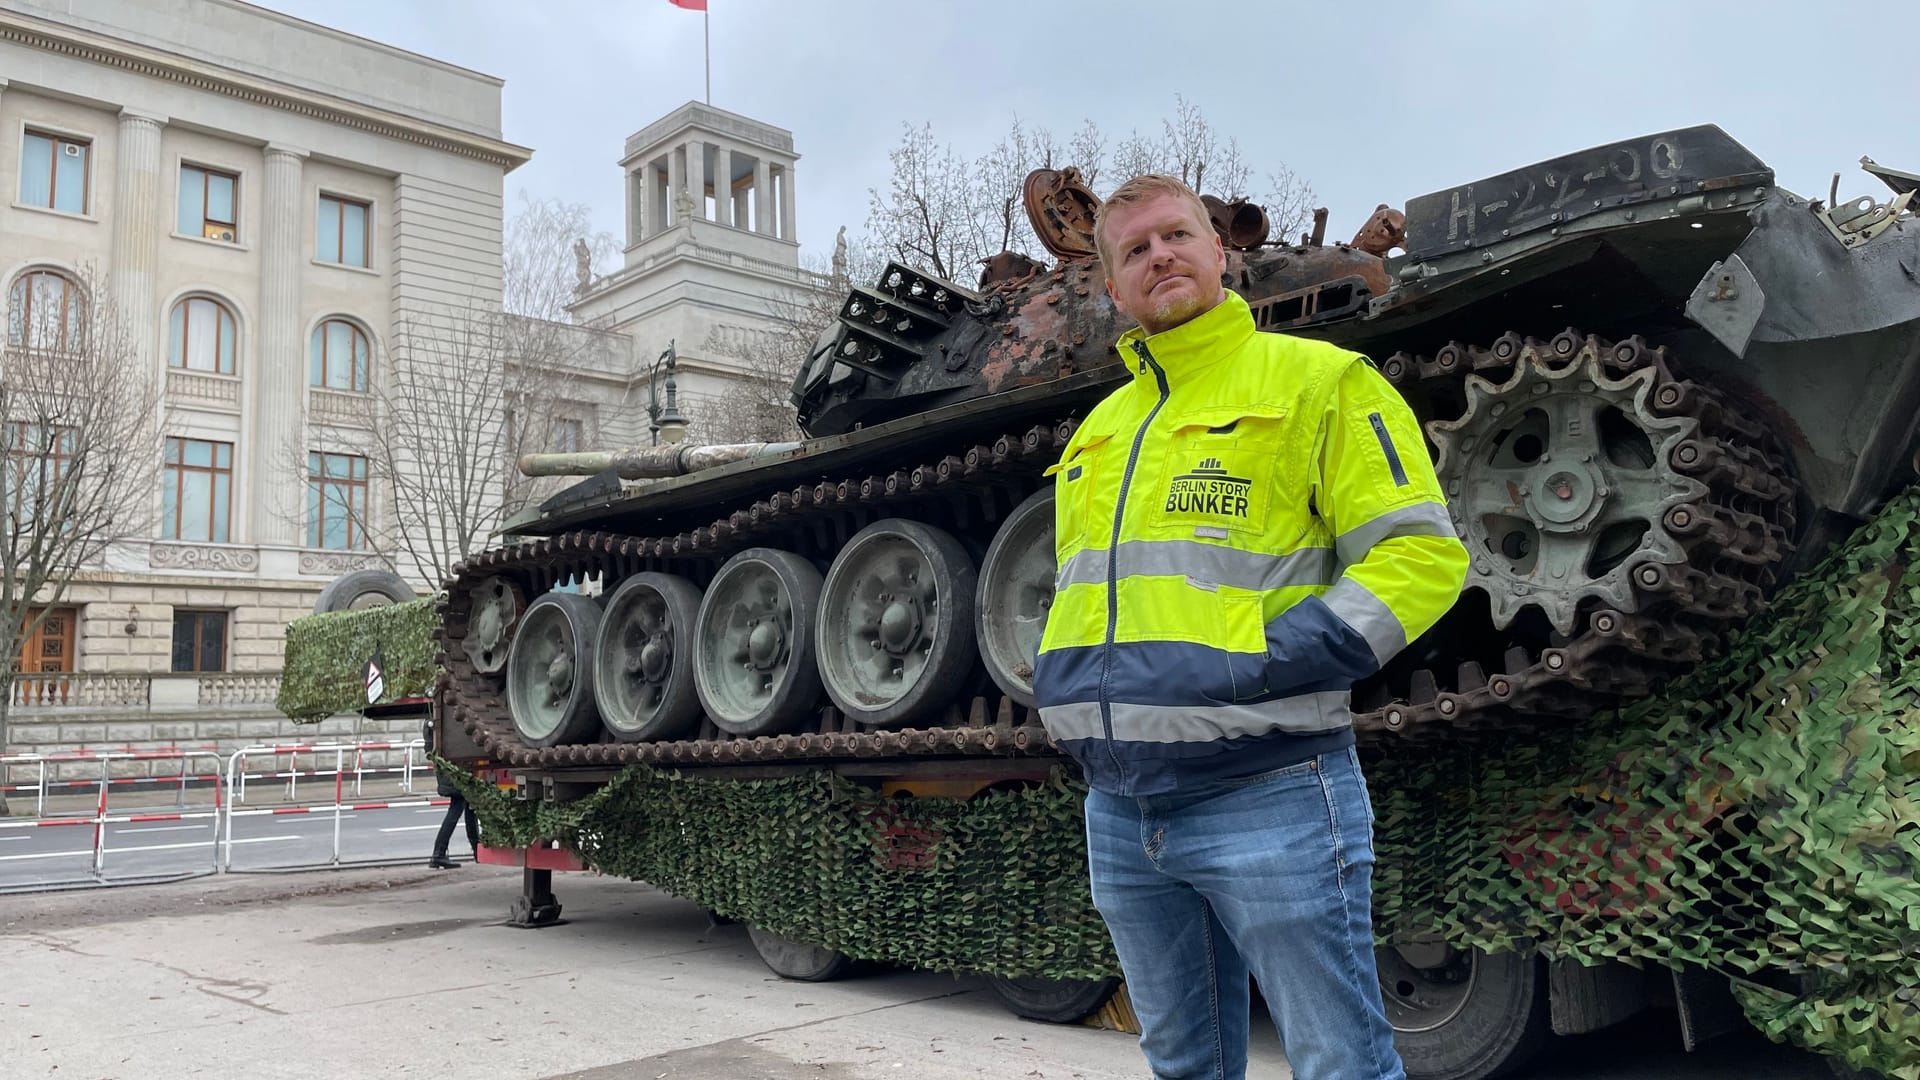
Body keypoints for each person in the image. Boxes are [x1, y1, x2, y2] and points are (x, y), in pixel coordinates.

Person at [1032, 174, 1469, 1080]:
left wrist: (1266, 660)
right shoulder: (1100, 430)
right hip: (1119, 806)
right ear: (1111, 287)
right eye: (1135, 250)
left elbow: (1420, 558)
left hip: (1268, 787)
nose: (1160, 256)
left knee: (1338, 1063)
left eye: (1176, 235)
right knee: (1186, 1062)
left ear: (1218, 251)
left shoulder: (1319, 380)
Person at [423, 716, 479, 869]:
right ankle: (439, 854)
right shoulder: (447, 718)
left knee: (469, 808)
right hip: (455, 770)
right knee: (459, 808)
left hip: (449, 768)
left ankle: (476, 851)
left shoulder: (433, 719)